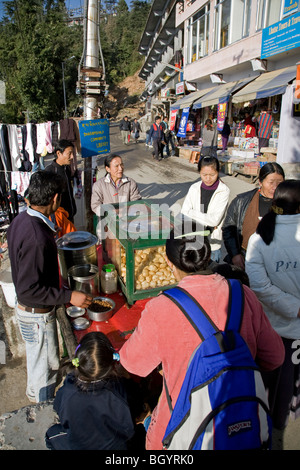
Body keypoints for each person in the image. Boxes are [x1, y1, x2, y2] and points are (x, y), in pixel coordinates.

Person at [119, 227, 284, 450]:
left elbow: (132, 363)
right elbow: (275, 356)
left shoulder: (161, 307)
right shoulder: (244, 294)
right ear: (207, 256)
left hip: (183, 428)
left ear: (169, 262)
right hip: (242, 419)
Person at [7, 171, 92, 403]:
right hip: (36, 317)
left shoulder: (22, 220)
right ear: (55, 199)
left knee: (43, 364)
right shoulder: (36, 235)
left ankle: (37, 399)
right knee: (44, 373)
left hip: (30, 313)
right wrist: (68, 296)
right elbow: (28, 289)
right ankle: (41, 413)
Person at [245, 180, 300, 431]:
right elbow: (260, 286)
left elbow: (260, 287)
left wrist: (293, 307)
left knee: (272, 388)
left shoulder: (259, 237)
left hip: (273, 330)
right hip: (285, 331)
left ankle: (269, 428)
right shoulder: (263, 236)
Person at [45, 332, 146, 450]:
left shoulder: (68, 389)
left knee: (51, 434)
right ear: (113, 364)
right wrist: (126, 376)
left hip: (81, 444)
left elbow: (58, 409)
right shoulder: (119, 390)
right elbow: (130, 425)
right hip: (114, 446)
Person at [222, 162, 285, 269]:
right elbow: (229, 229)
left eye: (279, 183)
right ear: (260, 182)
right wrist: (235, 254)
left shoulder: (289, 203)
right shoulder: (241, 201)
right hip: (246, 258)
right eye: (271, 182)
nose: (275, 187)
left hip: (278, 262)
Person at [181, 156, 230, 262]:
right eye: (204, 175)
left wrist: (192, 212)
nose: (208, 178)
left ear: (218, 172)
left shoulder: (223, 191)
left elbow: (214, 220)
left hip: (212, 245)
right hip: (193, 241)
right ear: (199, 173)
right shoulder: (194, 188)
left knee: (210, 274)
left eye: (212, 175)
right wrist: (203, 217)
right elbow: (184, 211)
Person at [46, 140, 77, 223]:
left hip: (70, 215)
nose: (72, 157)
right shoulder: (50, 172)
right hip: (58, 219)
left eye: (73, 153)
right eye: (69, 153)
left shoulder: (66, 168)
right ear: (59, 153)